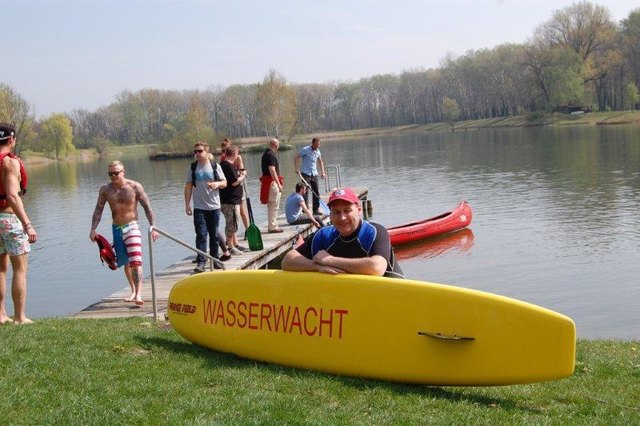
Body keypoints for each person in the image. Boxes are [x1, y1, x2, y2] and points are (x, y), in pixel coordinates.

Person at [282, 187, 404, 279]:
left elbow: (376, 268)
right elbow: (287, 261)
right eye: (336, 212)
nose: (342, 217)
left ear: (359, 210)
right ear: (330, 214)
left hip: (394, 298)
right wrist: (317, 266)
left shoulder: (374, 232)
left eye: (347, 211)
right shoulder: (324, 235)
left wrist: (330, 260)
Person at [89, 160, 159, 305]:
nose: (113, 176)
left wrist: (153, 227)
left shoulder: (134, 186)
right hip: (116, 228)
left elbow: (148, 207)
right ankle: (133, 290)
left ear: (123, 172)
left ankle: (139, 294)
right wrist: (93, 229)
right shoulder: (105, 189)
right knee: (125, 262)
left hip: (131, 226)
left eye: (116, 173)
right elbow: (98, 209)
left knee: (135, 260)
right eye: (110, 174)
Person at [0, 123, 36, 324]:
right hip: (8, 218)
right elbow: (13, 196)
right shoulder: (9, 162)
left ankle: (1, 314)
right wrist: (27, 224)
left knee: (0, 268)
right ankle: (20, 317)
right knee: (20, 269)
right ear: (12, 139)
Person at [184, 142, 227, 273]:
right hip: (199, 207)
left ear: (206, 152)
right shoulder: (192, 167)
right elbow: (188, 186)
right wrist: (187, 204)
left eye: (199, 151)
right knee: (201, 235)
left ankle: (215, 260)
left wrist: (217, 184)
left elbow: (225, 183)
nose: (197, 154)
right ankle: (201, 262)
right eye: (195, 151)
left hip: (214, 206)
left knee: (214, 235)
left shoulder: (215, 166)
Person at [219, 145, 249, 255]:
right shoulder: (227, 165)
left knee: (233, 223)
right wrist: (243, 175)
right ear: (235, 154)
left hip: (232, 200)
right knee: (232, 224)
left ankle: (235, 244)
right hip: (229, 201)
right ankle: (230, 247)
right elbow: (235, 181)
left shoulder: (229, 165)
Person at [294, 137, 326, 215]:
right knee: (304, 192)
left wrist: (323, 172)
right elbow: (296, 158)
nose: (317, 147)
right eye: (315, 145)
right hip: (305, 173)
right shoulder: (305, 150)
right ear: (312, 143)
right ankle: (305, 210)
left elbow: (320, 161)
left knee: (316, 192)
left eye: (318, 145)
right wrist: (296, 168)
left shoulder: (318, 151)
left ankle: (316, 210)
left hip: (314, 174)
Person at [260, 138, 284, 233]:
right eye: (278, 144)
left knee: (272, 205)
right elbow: (272, 170)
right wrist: (278, 184)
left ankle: (272, 224)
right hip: (272, 182)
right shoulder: (270, 155)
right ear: (275, 145)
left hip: (268, 181)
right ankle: (272, 226)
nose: (278, 146)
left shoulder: (266, 154)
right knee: (274, 205)